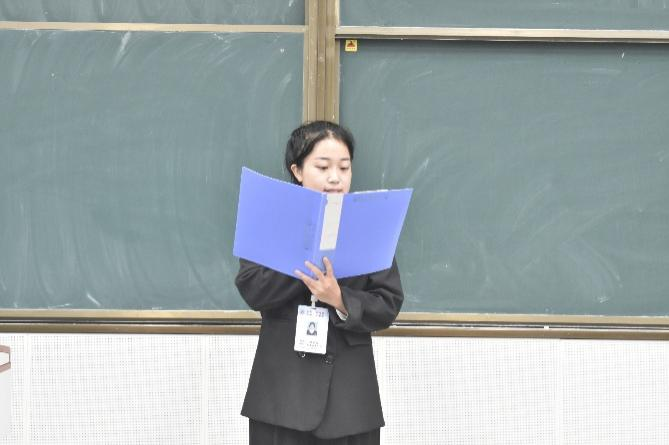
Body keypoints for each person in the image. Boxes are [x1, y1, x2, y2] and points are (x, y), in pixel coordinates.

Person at [235, 120, 404, 445]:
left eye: (344, 167)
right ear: (297, 170)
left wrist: (339, 299)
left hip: (350, 403)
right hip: (280, 398)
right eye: (323, 167)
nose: (335, 177)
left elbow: (388, 303)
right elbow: (253, 289)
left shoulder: (370, 224)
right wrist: (307, 251)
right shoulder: (271, 219)